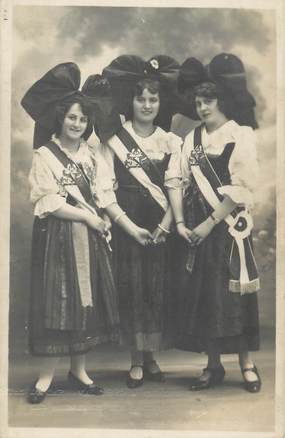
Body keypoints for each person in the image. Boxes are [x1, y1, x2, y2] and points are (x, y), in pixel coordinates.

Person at [21, 63, 120, 403]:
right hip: (57, 238)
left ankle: (79, 371)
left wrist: (103, 218)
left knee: (85, 303)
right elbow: (47, 200)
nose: (77, 125)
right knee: (58, 303)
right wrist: (87, 217)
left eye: (83, 120)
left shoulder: (92, 156)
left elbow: (104, 194)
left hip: (89, 239)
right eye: (72, 118)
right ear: (60, 119)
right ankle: (46, 377)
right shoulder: (45, 155)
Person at [169, 53, 261, 393]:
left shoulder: (239, 134)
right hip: (196, 230)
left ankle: (246, 364)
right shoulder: (190, 139)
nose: (202, 107)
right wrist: (180, 222)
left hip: (226, 228)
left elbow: (242, 187)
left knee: (232, 295)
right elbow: (175, 180)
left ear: (220, 99)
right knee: (206, 296)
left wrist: (209, 222)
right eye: (197, 101)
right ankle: (212, 364)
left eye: (207, 100)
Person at [102, 55, 183, 388]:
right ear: (130, 102)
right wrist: (128, 226)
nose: (147, 105)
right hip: (129, 225)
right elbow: (104, 189)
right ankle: (136, 359)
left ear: (160, 103)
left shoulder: (170, 141)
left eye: (153, 99)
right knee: (133, 288)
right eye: (141, 99)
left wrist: (165, 225)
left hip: (161, 225)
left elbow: (177, 185)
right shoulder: (114, 142)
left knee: (157, 288)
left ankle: (152, 357)